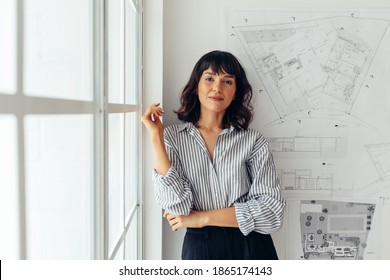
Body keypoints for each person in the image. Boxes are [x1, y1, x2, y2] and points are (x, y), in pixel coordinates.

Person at [142, 50, 285, 260]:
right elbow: (177, 206)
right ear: (197, 85)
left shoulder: (253, 141)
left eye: (227, 81)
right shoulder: (172, 137)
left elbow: (272, 213)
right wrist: (156, 137)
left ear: (235, 91)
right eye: (209, 78)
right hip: (201, 247)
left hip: (251, 245)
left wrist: (200, 218)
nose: (217, 87)